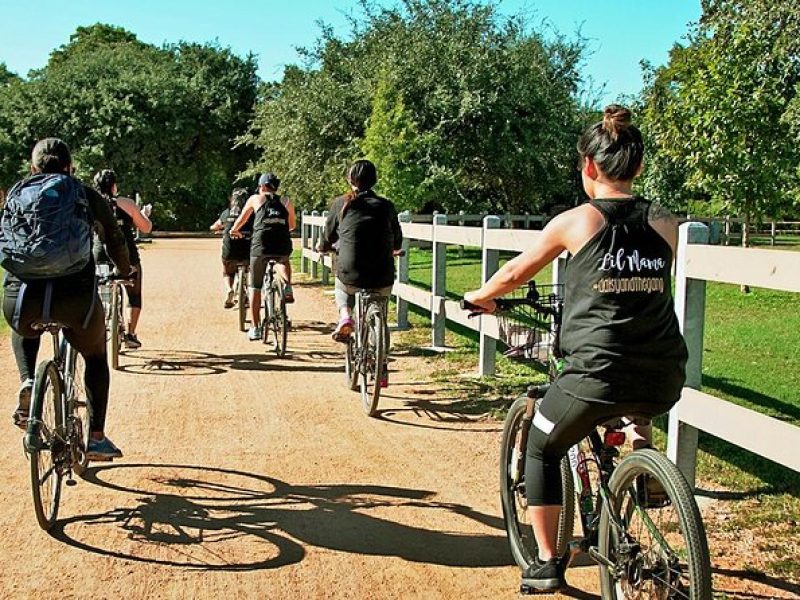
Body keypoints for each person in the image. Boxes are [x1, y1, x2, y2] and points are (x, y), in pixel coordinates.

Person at [464, 105, 688, 592]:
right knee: (633, 391)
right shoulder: (666, 221)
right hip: (664, 372)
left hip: (596, 374)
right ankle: (639, 441)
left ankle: (546, 562)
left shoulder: (575, 222)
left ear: (589, 167)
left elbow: (515, 273)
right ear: (639, 166)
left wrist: (480, 296)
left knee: (543, 446)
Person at [0, 138, 133, 459]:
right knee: (97, 356)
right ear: (70, 167)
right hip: (74, 298)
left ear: (32, 168)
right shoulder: (82, 192)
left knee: (24, 326)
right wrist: (125, 270)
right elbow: (114, 236)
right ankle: (97, 438)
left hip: (21, 300)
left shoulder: (18, 193)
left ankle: (29, 381)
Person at [318, 160, 403, 385]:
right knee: (381, 316)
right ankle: (382, 367)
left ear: (350, 179)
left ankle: (345, 315)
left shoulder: (341, 203)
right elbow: (397, 236)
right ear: (375, 180)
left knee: (342, 287)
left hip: (351, 269)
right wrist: (394, 249)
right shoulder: (386, 205)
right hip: (382, 272)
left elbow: (328, 236)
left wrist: (324, 247)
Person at [230, 172, 296, 341]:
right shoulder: (286, 201)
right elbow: (292, 225)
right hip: (281, 243)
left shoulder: (255, 199)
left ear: (262, 186)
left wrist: (234, 230)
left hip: (261, 245)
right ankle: (287, 286)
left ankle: (255, 327)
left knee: (255, 286)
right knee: (283, 259)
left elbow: (241, 220)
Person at [93, 169, 152, 349]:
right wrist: (144, 215)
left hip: (100, 255)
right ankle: (130, 333)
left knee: (98, 289)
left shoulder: (92, 204)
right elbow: (146, 228)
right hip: (126, 255)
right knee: (134, 294)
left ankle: (100, 328)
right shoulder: (126, 203)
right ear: (114, 186)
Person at [209, 188, 253, 308]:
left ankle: (229, 289)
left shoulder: (226, 213)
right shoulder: (251, 212)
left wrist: (219, 228)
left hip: (230, 251)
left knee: (227, 271)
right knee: (248, 266)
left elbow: (214, 226)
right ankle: (244, 288)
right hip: (246, 250)